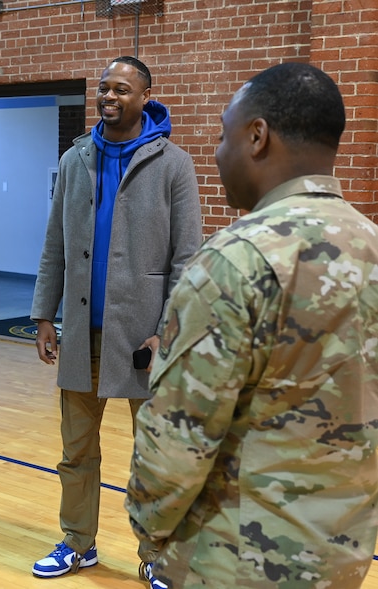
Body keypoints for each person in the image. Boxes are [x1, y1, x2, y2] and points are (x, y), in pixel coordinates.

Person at [125, 62, 378, 589]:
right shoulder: (373, 247)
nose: (217, 153)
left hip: (233, 561)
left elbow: (177, 443)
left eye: (222, 135)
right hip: (343, 555)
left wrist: (150, 537)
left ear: (257, 137)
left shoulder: (235, 261)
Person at [30, 55, 203, 578]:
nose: (109, 96)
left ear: (145, 96)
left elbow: (188, 260)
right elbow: (55, 243)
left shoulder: (173, 163)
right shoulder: (75, 158)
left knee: (156, 457)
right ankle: (78, 542)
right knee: (75, 451)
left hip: (145, 342)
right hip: (83, 335)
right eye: (103, 88)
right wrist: (43, 314)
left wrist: (166, 333)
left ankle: (157, 555)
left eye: (122, 89)